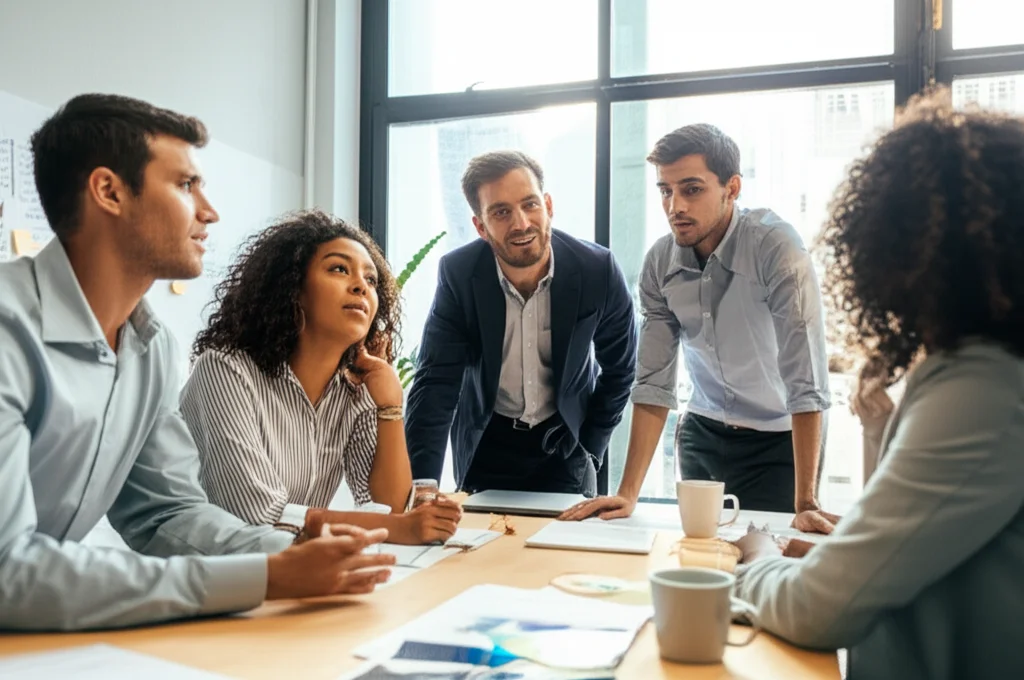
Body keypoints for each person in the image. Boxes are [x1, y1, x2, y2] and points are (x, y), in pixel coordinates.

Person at [0, 93, 394, 632]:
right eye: (186, 185)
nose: (209, 211)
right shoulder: (8, 331)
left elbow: (167, 514)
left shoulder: (151, 347)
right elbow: (8, 570)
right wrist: (265, 577)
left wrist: (289, 553)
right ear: (109, 191)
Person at [732, 89, 1024, 680]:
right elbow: (927, 550)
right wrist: (843, 550)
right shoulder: (978, 371)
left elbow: (815, 609)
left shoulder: (984, 391)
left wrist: (755, 558)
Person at [563, 123, 831, 521]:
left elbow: (805, 379)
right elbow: (654, 381)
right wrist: (627, 493)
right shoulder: (659, 262)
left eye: (692, 189)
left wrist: (807, 502)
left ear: (732, 188)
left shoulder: (776, 248)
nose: (676, 207)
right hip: (701, 434)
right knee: (700, 547)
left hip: (779, 439)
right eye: (665, 191)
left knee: (767, 551)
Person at [180, 210, 461, 545]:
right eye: (339, 269)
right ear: (293, 288)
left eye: (371, 280)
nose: (360, 286)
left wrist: (390, 406)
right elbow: (255, 516)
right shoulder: (224, 370)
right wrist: (399, 527)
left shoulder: (353, 389)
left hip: (296, 565)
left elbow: (392, 508)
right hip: (207, 569)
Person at [405, 151, 637, 496]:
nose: (521, 223)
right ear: (481, 227)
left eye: (530, 204)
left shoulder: (597, 270)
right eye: (501, 212)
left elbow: (620, 370)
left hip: (566, 445)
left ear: (548, 205)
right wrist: (423, 483)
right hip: (487, 445)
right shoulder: (459, 274)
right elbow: (435, 382)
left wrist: (591, 447)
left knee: (566, 534)